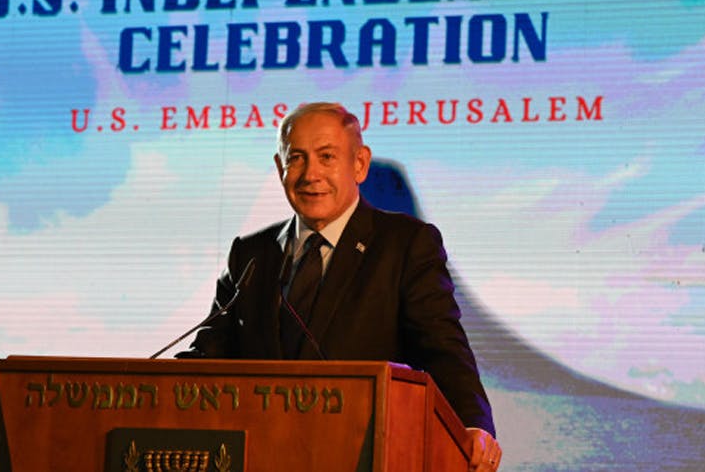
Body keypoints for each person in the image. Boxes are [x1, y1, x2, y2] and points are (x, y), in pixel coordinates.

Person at [179, 102, 502, 471]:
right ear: (279, 167)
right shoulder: (251, 254)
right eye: (296, 158)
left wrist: (472, 423)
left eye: (327, 157)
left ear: (360, 164)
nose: (310, 174)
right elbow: (207, 358)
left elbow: (442, 347)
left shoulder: (405, 244)